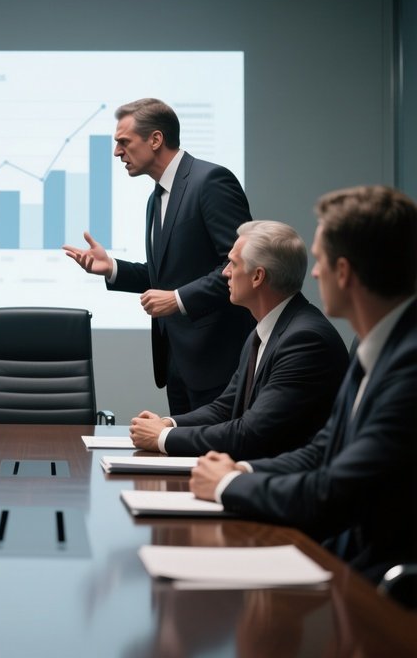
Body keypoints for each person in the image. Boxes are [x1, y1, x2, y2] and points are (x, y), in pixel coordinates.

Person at [190, 185, 417, 582]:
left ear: (343, 272)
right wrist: (241, 470)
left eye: (320, 260)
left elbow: (332, 494)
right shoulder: (373, 344)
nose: (313, 272)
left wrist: (228, 485)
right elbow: (322, 451)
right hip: (351, 558)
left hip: (381, 583)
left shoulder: (409, 366)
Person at [64, 97, 254, 415]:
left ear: (155, 139)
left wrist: (178, 299)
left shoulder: (210, 182)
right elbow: (167, 276)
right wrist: (112, 269)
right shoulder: (156, 198)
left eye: (124, 142)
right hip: (177, 363)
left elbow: (239, 266)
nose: (116, 152)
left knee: (212, 460)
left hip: (218, 364)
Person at [129, 220, 348, 459]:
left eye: (233, 263)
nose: (225, 272)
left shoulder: (305, 341)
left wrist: (161, 438)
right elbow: (226, 407)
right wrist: (167, 424)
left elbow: (251, 434)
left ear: (257, 277)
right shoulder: (266, 328)